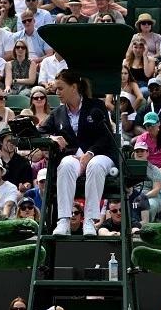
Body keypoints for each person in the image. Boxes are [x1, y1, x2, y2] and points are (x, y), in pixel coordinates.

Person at [38, 70, 114, 236]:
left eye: (60, 88)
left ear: (74, 87)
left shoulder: (96, 106)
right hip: (74, 157)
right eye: (56, 89)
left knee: (95, 165)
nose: (57, 93)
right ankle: (64, 219)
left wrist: (91, 153)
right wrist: (52, 137)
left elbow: (107, 137)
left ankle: (89, 220)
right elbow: (40, 132)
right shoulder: (57, 113)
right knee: (64, 165)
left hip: (100, 155)